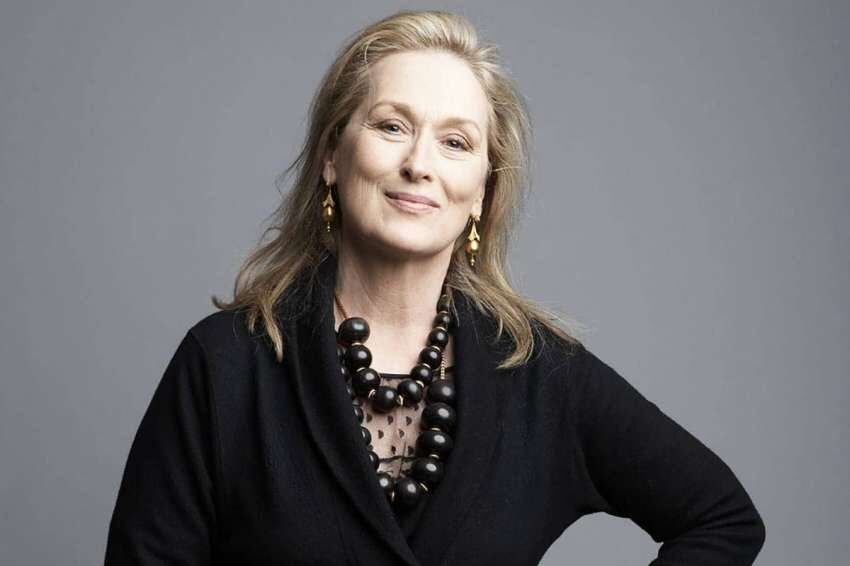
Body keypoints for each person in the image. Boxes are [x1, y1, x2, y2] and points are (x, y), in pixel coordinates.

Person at [105, 10, 766, 565]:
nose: (420, 164)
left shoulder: (539, 374)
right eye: (392, 126)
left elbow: (722, 517)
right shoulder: (223, 365)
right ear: (333, 157)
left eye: (455, 142)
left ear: (481, 191)